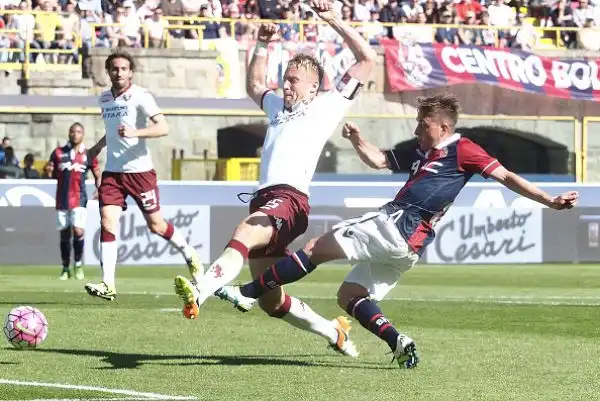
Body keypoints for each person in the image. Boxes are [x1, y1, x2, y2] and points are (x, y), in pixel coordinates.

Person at [214, 94, 579, 369]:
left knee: (315, 248)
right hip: (409, 247)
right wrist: (358, 138)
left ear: (444, 128)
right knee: (350, 295)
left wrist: (548, 200)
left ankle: (248, 293)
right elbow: (378, 160)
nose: (417, 129)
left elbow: (507, 177)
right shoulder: (421, 153)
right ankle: (398, 341)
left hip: (397, 223)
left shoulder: (463, 149)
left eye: (423, 124)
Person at [172, 0, 376, 357]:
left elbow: (366, 60)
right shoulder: (278, 109)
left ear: (314, 88)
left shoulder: (325, 106)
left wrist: (332, 19)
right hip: (266, 200)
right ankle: (334, 333)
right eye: (284, 78)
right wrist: (262, 45)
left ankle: (199, 291)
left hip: (291, 200)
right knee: (271, 302)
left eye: (294, 80)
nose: (286, 85)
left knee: (244, 233)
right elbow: (253, 84)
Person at [84, 50, 202, 301]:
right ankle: (108, 284)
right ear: (109, 71)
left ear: (131, 72)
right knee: (107, 221)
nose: (119, 72)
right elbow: (113, 132)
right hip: (113, 173)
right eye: (114, 68)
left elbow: (163, 127)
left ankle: (190, 254)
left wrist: (136, 132)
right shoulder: (104, 99)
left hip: (140, 173)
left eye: (124, 68)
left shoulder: (140, 96)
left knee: (156, 225)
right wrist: (97, 147)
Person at [48, 123, 101, 280]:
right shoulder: (58, 153)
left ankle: (78, 265)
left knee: (78, 231)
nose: (75, 134)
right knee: (64, 234)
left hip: (80, 198)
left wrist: (99, 189)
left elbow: (98, 174)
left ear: (83, 134)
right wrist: (49, 171)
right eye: (72, 131)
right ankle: (65, 268)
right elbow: (51, 172)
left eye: (78, 132)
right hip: (62, 200)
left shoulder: (88, 154)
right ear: (69, 133)